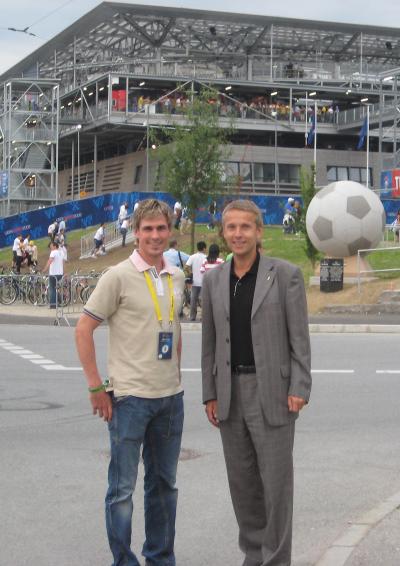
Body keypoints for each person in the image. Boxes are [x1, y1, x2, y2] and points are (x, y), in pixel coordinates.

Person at [75, 198, 185, 566]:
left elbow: (174, 329)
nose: (155, 235)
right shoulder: (117, 276)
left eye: (161, 228)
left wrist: (177, 375)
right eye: (148, 229)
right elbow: (84, 328)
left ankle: (159, 557)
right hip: (129, 400)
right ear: (135, 232)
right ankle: (123, 561)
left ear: (170, 231)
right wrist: (95, 387)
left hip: (170, 398)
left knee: (164, 486)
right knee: (122, 490)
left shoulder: (176, 274)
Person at [201, 199, 312, 566]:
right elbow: (210, 343)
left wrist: (299, 386)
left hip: (274, 394)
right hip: (230, 395)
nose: (237, 234)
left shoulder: (285, 275)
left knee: (276, 485)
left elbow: (299, 339)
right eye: (231, 227)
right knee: (243, 483)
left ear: (259, 231)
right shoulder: (214, 279)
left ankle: (277, 559)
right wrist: (210, 393)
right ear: (223, 232)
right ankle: (254, 553)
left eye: (245, 227)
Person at [185, 241, 207, 321]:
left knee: (193, 299)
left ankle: (192, 316)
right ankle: (203, 317)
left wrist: (191, 273)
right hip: (204, 282)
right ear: (204, 248)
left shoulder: (192, 257)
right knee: (203, 300)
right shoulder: (206, 257)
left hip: (194, 282)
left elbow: (186, 266)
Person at [43, 241, 65, 309]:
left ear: (55, 246)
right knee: (55, 288)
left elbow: (50, 260)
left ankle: (53, 304)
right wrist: (63, 271)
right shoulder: (61, 252)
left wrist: (45, 269)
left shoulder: (53, 252)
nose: (50, 248)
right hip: (60, 273)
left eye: (51, 246)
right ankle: (59, 301)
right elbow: (63, 262)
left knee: (52, 289)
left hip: (53, 273)